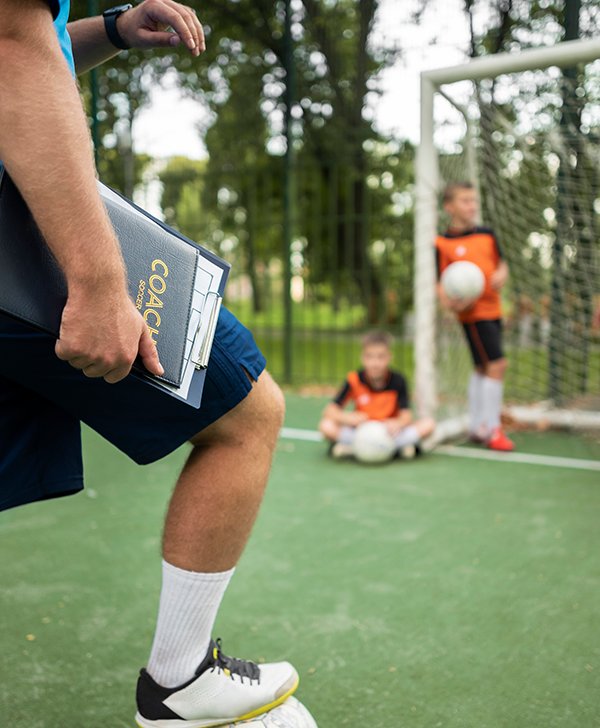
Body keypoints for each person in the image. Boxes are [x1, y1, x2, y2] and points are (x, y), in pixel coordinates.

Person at [0, 2, 298, 726]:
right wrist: (100, 282)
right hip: (15, 239)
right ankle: (180, 681)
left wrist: (109, 28)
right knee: (244, 413)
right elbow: (12, 44)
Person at [435, 181, 514, 452]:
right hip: (473, 314)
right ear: (449, 207)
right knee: (497, 365)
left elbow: (501, 263)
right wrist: (450, 303)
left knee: (483, 367)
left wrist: (503, 273)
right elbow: (441, 285)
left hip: (494, 310)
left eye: (473, 200)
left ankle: (477, 425)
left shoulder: (487, 234)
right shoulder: (443, 243)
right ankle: (493, 428)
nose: (471, 206)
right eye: (465, 201)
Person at [319, 331, 435, 459]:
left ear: (389, 357)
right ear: (363, 358)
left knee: (428, 424)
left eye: (381, 357)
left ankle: (353, 450)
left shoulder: (398, 380)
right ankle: (396, 451)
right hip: (360, 432)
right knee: (326, 426)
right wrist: (348, 418)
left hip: (389, 433)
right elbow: (329, 411)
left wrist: (397, 423)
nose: (375, 363)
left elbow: (406, 416)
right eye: (370, 357)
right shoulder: (354, 380)